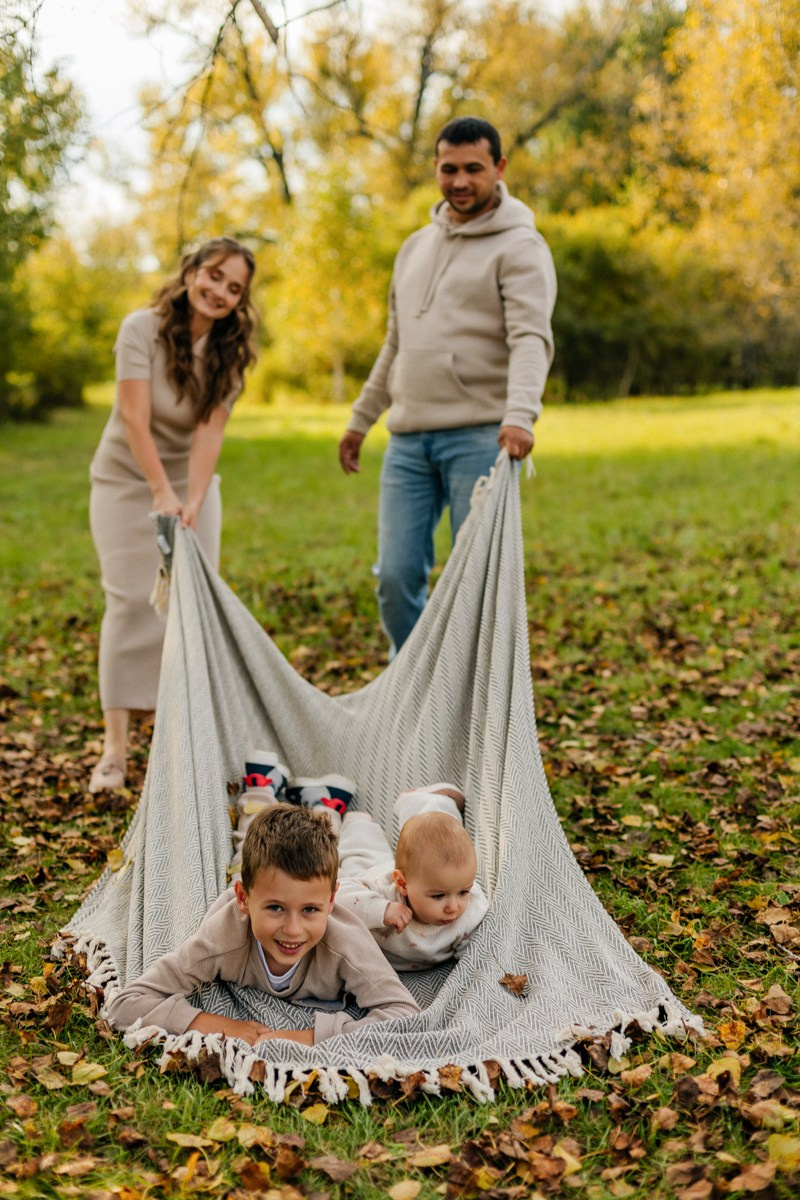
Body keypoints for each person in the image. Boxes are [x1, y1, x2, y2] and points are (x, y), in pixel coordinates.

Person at [338, 115, 557, 654]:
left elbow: (531, 338)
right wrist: (361, 420)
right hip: (409, 441)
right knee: (394, 577)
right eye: (449, 169)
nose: (460, 181)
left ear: (499, 168)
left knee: (475, 585)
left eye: (473, 169)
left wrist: (520, 415)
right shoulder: (413, 248)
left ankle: (468, 703)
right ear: (435, 168)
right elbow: (395, 345)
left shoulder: (521, 247)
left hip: (480, 438)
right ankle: (413, 686)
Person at [88, 237, 257, 793]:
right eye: (213, 276)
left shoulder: (231, 353)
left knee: (188, 608)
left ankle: (174, 742)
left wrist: (194, 499)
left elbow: (210, 432)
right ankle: (115, 752)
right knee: (132, 600)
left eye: (234, 288)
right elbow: (134, 418)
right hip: (127, 478)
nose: (220, 292)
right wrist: (160, 491)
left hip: (188, 484)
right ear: (190, 272)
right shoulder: (141, 329)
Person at [104, 803, 420, 1046]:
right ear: (243, 899)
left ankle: (353, 818)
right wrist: (218, 1025)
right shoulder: (221, 939)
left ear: (331, 901)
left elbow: (403, 1016)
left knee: (361, 855)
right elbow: (125, 1005)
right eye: (275, 909)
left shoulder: (345, 943)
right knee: (248, 845)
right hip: (257, 883)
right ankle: (271, 798)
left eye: (310, 909)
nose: (293, 930)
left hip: (364, 881)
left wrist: (308, 1037)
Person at [335, 784, 489, 972]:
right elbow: (337, 893)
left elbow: (477, 960)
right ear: (402, 884)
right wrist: (381, 909)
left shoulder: (472, 909)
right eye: (438, 896)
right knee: (361, 857)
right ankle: (358, 824)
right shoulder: (383, 891)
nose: (454, 907)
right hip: (373, 871)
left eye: (463, 892)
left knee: (435, 837)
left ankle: (428, 801)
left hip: (422, 872)